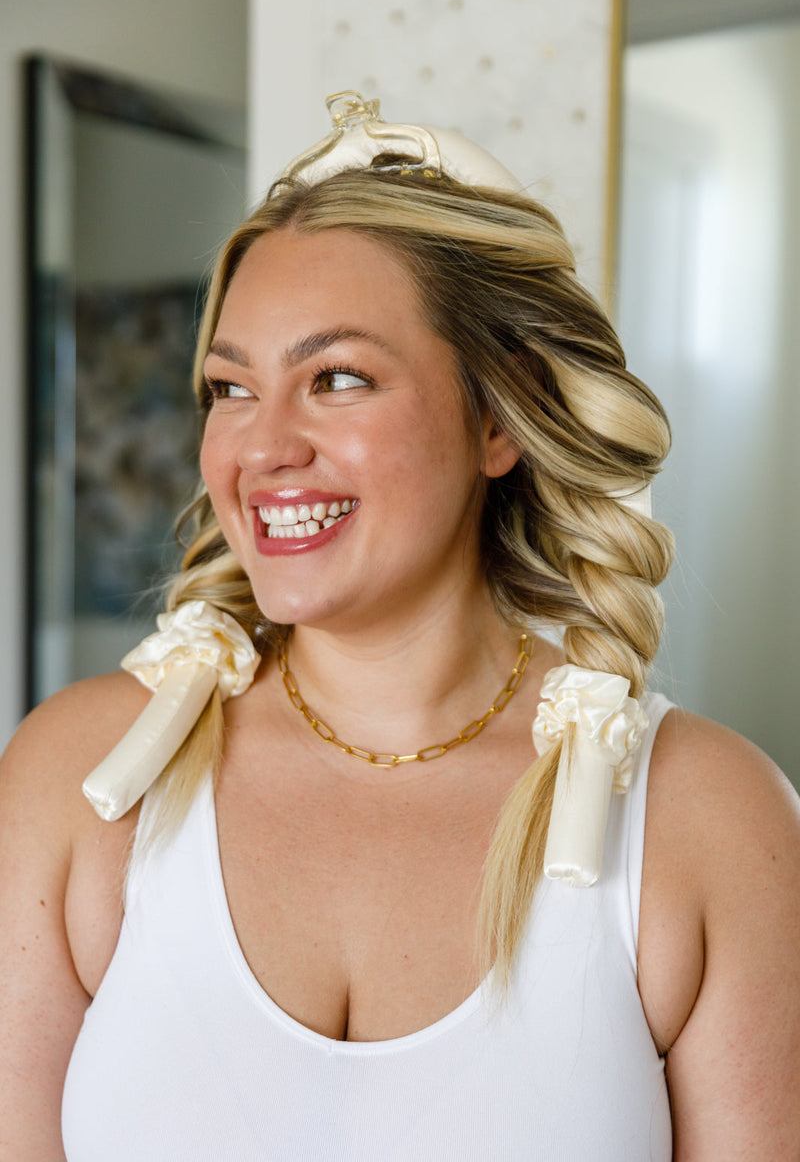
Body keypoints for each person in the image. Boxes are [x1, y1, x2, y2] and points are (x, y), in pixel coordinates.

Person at [1, 91, 799, 1161]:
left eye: (336, 378)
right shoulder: (81, 780)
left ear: (498, 420)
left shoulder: (707, 821)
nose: (262, 446)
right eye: (229, 388)